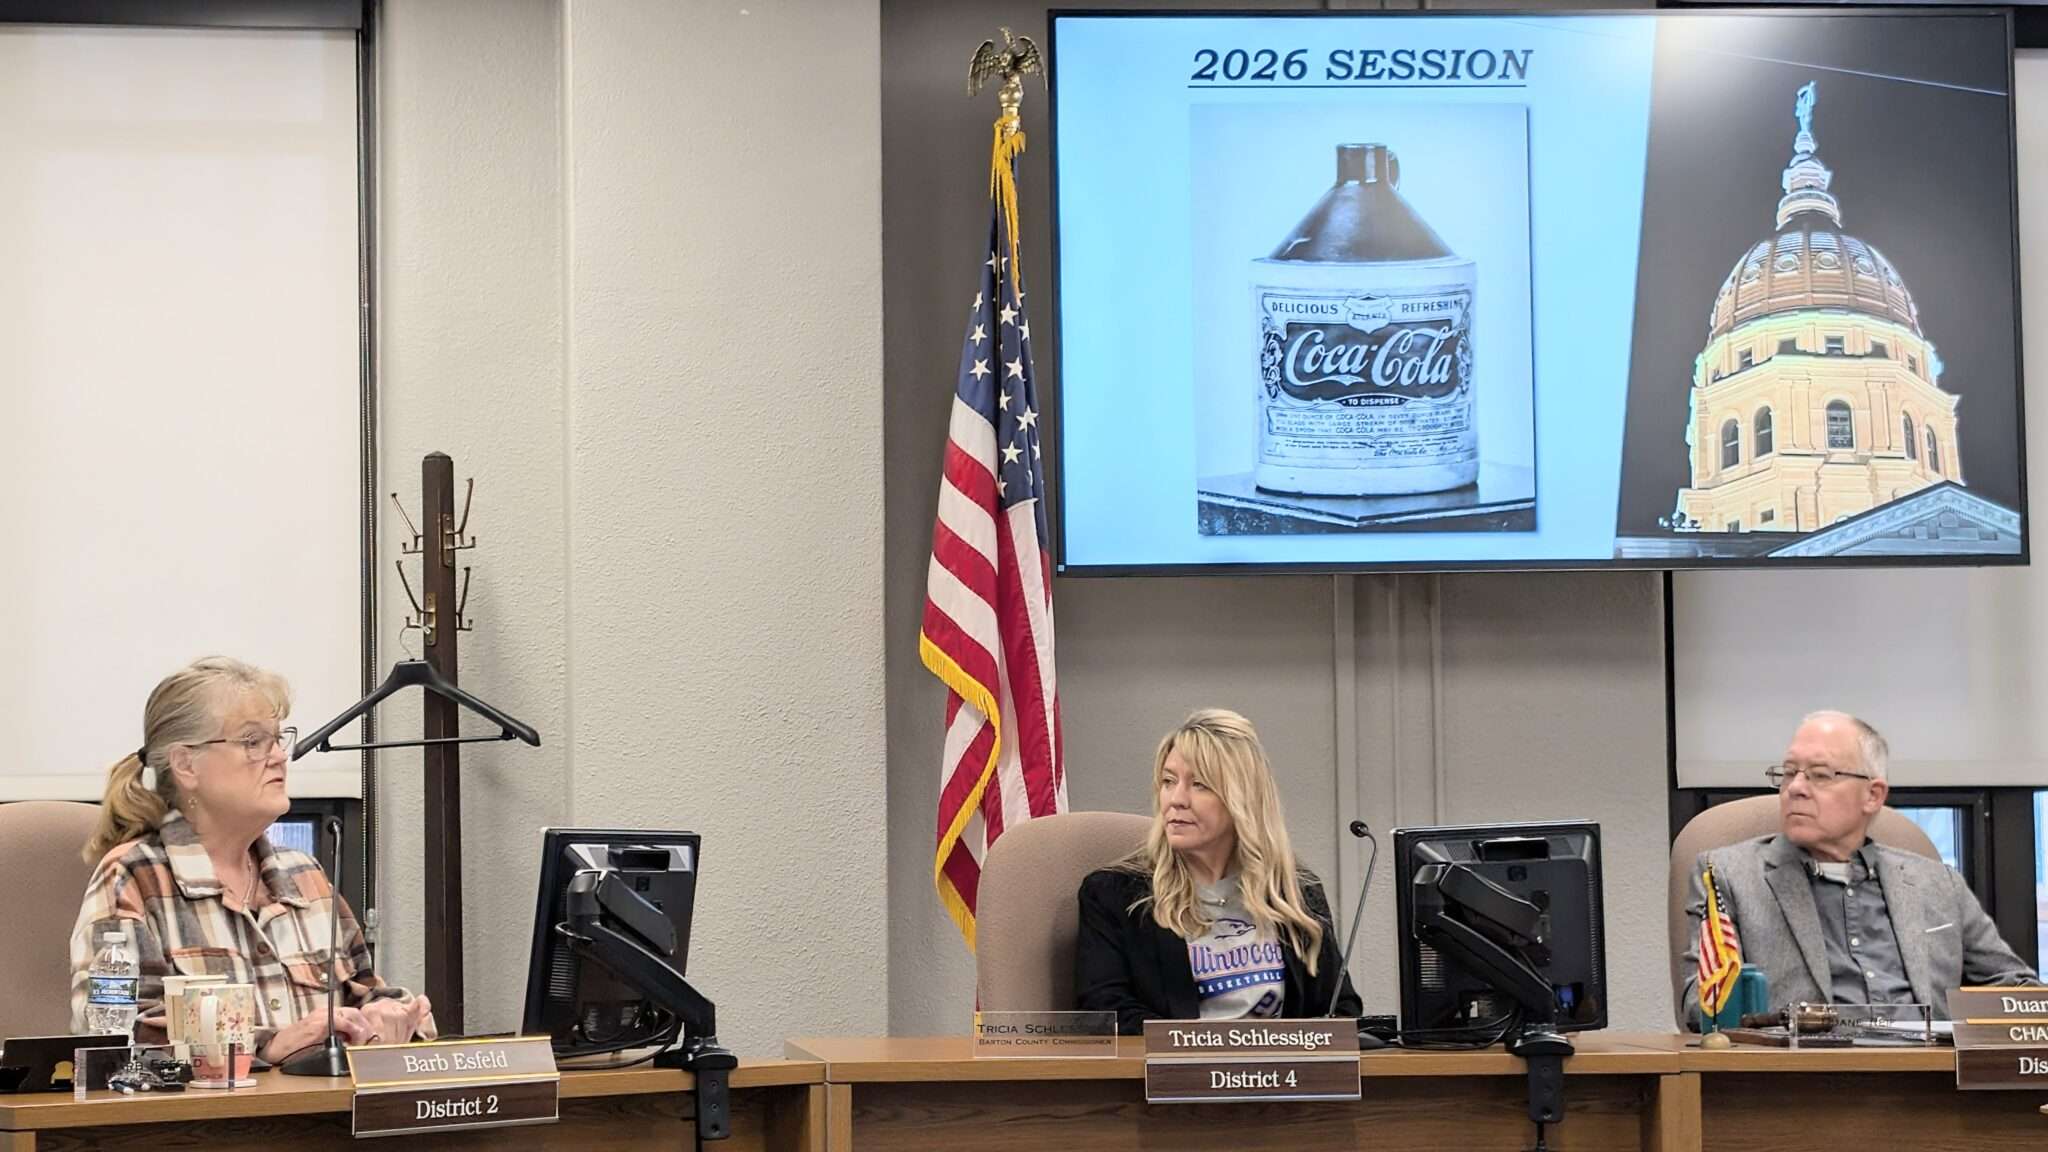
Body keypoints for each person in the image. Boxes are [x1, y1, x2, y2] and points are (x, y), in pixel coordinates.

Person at [72, 657, 435, 1060]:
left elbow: (365, 992)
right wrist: (268, 1047)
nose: (279, 756)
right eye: (252, 742)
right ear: (186, 765)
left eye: (278, 739)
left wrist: (391, 1015)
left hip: (326, 1116)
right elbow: (116, 1038)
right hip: (204, 1122)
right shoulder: (134, 877)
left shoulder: (305, 876)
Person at [1679, 710, 2036, 1026]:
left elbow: (2018, 992)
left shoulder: (1938, 884)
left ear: (1873, 796)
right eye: (1788, 774)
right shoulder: (1729, 876)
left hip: (1933, 1082)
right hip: (1803, 1085)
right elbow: (1702, 1006)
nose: (1795, 789)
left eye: (1819, 775)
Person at [1075, 709, 1361, 1034]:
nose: (1176, 799)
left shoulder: (1295, 893)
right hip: (1171, 1078)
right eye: (1169, 782)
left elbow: (1340, 1010)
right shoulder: (1114, 895)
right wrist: (1210, 1051)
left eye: (1199, 785)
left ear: (1242, 799)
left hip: (1281, 1078)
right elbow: (1104, 1013)